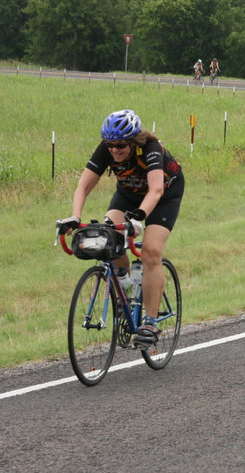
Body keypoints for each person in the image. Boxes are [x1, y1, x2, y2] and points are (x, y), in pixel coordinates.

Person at [58, 109, 184, 348]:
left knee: (150, 252)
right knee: (109, 238)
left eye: (121, 146)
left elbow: (155, 190)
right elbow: (83, 186)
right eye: (110, 145)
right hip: (128, 195)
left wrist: (139, 219)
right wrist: (75, 216)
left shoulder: (151, 149)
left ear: (134, 141)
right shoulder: (106, 149)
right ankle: (126, 288)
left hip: (164, 196)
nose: (115, 150)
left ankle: (150, 321)